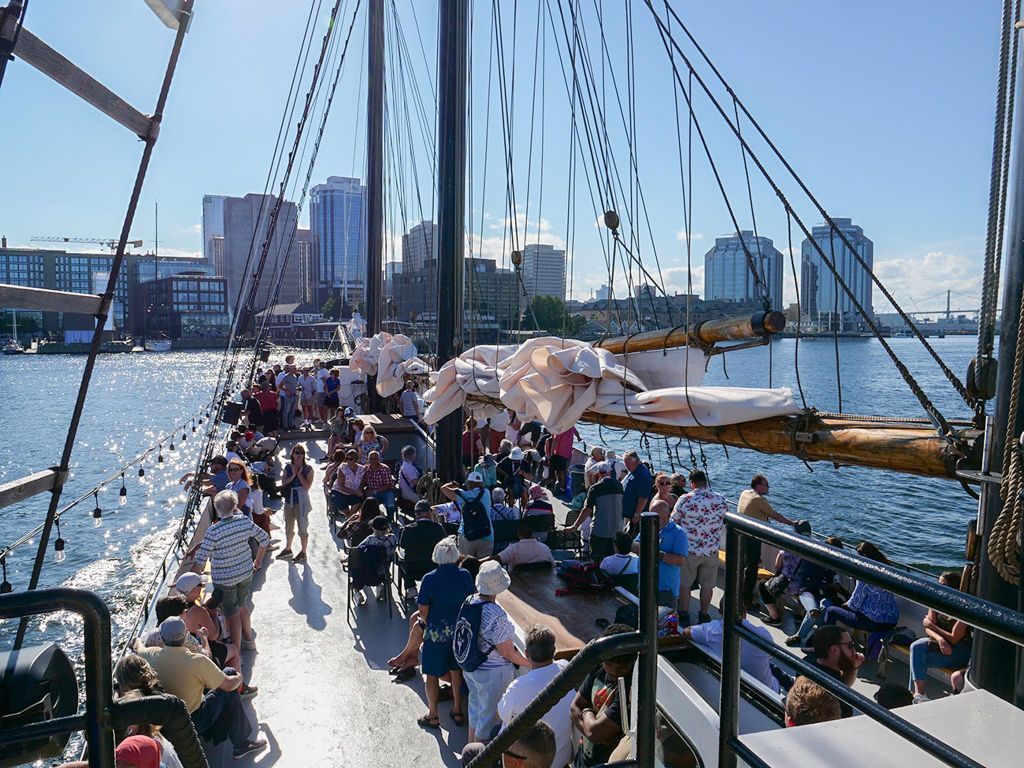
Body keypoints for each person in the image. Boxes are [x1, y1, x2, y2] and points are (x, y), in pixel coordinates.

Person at [133, 618, 267, 759]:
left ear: (162, 638)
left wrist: (137, 641)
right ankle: (241, 744)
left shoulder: (151, 655)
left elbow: (138, 647)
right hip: (196, 720)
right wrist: (239, 678)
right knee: (229, 674)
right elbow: (228, 685)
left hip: (169, 726)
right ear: (186, 636)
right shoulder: (198, 661)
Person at [461, 626, 572, 768]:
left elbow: (499, 715)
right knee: (496, 731)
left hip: (523, 761)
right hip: (558, 761)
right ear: (554, 651)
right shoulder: (567, 670)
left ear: (526, 654)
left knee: (470, 752)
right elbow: (562, 663)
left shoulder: (518, 686)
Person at [457, 561, 533, 743]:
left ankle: (469, 750)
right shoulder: (495, 614)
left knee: (475, 709)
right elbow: (507, 652)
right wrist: (530, 664)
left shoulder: (470, 600)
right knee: (488, 719)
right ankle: (479, 759)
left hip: (471, 667)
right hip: (491, 674)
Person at [192, 490, 269, 653]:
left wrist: (189, 581)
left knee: (232, 614)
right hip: (245, 573)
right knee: (242, 605)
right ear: (235, 506)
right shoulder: (244, 522)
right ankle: (249, 639)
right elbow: (264, 539)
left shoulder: (213, 531)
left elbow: (201, 559)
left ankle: (236, 651)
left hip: (225, 580)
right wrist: (259, 560)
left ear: (217, 509)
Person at [415, 536, 476, 730]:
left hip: (436, 634)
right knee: (456, 673)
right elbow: (471, 601)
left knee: (431, 675)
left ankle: (433, 715)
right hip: (459, 634)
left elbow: (423, 610)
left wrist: (427, 623)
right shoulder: (465, 575)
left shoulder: (429, 579)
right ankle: (458, 710)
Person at [570, 623, 637, 767]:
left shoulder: (630, 689)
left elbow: (595, 732)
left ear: (633, 663)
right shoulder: (599, 668)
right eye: (609, 664)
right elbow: (574, 708)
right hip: (582, 759)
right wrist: (593, 733)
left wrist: (587, 712)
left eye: (621, 667)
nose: (613, 671)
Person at [681, 603, 780, 693]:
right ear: (745, 611)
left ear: (720, 612)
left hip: (739, 685)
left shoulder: (712, 630)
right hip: (769, 691)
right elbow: (770, 655)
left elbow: (686, 632)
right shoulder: (763, 635)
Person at [673, 469, 727, 625]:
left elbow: (674, 520)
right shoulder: (720, 499)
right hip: (711, 550)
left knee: (685, 584)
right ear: (705, 482)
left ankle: (684, 613)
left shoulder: (685, 499)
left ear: (692, 483)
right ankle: (703, 614)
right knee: (708, 585)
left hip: (689, 550)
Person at [909, 570, 972, 703]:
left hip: (960, 650)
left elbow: (955, 638)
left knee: (918, 660)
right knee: (916, 648)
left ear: (954, 589)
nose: (938, 587)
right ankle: (919, 694)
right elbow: (927, 628)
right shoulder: (936, 601)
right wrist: (940, 639)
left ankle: (915, 694)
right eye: (938, 584)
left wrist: (932, 627)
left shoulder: (964, 608)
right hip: (942, 646)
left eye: (943, 585)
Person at [736, 474, 796, 606]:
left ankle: (739, 595)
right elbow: (775, 516)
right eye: (766, 485)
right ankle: (746, 600)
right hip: (751, 537)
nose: (768, 487)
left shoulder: (745, 493)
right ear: (758, 486)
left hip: (741, 534)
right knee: (751, 569)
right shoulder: (759, 500)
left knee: (746, 565)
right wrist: (792, 523)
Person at [821, 541, 899, 633]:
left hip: (874, 622)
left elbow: (854, 604)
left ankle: (826, 644)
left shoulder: (865, 574)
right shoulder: (887, 570)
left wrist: (842, 605)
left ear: (864, 557)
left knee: (831, 611)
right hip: (892, 620)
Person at [176, 573, 243, 675]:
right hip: (202, 654)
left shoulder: (174, 607)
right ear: (193, 590)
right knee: (233, 649)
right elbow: (213, 635)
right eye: (200, 585)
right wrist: (214, 615)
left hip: (185, 655)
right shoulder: (197, 611)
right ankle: (238, 686)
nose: (202, 587)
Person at [632, 499, 688, 609]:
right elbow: (634, 545)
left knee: (664, 623)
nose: (652, 520)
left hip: (665, 591)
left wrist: (657, 554)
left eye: (657, 517)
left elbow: (681, 560)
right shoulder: (648, 525)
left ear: (667, 516)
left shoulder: (678, 533)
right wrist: (643, 548)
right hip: (644, 585)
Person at [567, 462, 623, 562]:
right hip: (616, 530)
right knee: (611, 558)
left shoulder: (595, 488)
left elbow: (587, 510)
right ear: (610, 472)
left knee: (597, 560)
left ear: (599, 474)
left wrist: (575, 526)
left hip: (600, 531)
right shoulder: (619, 486)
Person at [812, 625, 865, 717]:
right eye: (850, 646)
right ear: (834, 649)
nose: (854, 651)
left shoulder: (807, 663)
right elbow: (840, 689)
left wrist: (853, 667)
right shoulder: (839, 703)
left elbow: (843, 685)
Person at [398, 500, 448, 598]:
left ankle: (410, 587)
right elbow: (445, 544)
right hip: (434, 567)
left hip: (412, 569)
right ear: (430, 512)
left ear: (417, 514)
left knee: (400, 559)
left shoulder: (407, 529)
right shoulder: (438, 528)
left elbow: (402, 546)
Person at [442, 471, 495, 558]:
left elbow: (443, 488)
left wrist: (452, 484)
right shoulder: (487, 493)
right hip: (487, 534)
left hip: (467, 536)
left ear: (469, 483)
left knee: (466, 566)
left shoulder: (462, 494)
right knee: (484, 566)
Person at [279, 444, 314, 563]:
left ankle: (303, 552)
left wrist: (299, 475)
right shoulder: (288, 467)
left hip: (301, 501)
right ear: (292, 454)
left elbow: (307, 486)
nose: (299, 455)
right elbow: (283, 482)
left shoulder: (308, 469)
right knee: (289, 525)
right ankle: (288, 548)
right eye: (297, 452)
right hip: (289, 500)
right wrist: (293, 475)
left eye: (301, 453)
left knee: (302, 527)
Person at [353, 516, 397, 604]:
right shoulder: (392, 538)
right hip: (383, 572)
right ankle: (380, 585)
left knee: (355, 570)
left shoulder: (370, 540)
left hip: (366, 573)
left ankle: (357, 592)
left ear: (373, 528)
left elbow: (357, 551)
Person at [621, 450, 653, 533]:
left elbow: (643, 498)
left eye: (628, 463)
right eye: (625, 463)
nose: (626, 466)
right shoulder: (632, 470)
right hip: (626, 512)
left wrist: (637, 514)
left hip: (633, 515)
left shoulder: (642, 475)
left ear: (637, 461)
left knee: (630, 536)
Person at [331, 449, 365, 518]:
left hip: (353, 493)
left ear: (355, 459)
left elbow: (362, 483)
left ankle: (347, 521)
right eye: (346, 458)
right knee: (344, 508)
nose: (348, 461)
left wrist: (360, 490)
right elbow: (341, 486)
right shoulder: (343, 467)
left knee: (358, 502)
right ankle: (349, 519)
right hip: (339, 491)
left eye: (350, 459)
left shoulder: (362, 469)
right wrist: (355, 492)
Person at [362, 450, 397, 515]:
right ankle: (375, 521)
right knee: (369, 505)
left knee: (391, 504)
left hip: (386, 491)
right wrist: (364, 490)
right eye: (371, 459)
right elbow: (362, 482)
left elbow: (389, 485)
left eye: (375, 458)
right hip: (372, 492)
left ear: (378, 459)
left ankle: (389, 521)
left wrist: (375, 490)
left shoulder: (384, 468)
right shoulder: (365, 469)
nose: (373, 461)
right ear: (368, 459)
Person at [547, 427, 579, 496]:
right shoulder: (571, 426)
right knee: (562, 472)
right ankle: (561, 488)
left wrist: (552, 453)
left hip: (560, 454)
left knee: (559, 472)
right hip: (567, 454)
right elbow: (576, 433)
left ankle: (559, 488)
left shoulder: (561, 429)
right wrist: (579, 438)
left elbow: (555, 441)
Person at [396, 445, 422, 511]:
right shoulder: (408, 467)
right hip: (407, 491)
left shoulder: (407, 464)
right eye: (414, 453)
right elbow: (415, 482)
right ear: (412, 455)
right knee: (424, 502)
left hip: (408, 489)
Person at [279, 364, 299, 430]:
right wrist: (286, 391)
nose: (295, 370)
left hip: (294, 395)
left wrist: (298, 388)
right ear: (290, 369)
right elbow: (280, 386)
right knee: (286, 411)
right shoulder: (286, 377)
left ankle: (291, 424)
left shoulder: (295, 376)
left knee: (292, 411)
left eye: (295, 368)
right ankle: (285, 426)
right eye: (294, 368)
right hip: (288, 396)